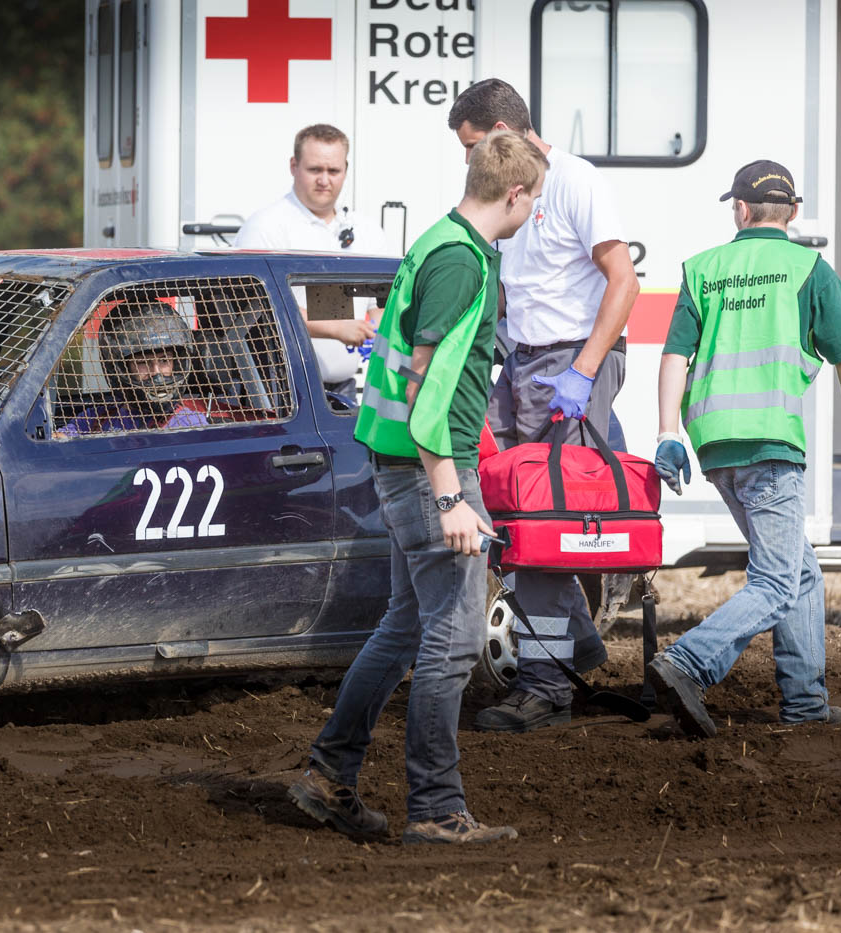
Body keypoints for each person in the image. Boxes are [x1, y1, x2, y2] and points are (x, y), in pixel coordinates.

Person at [288, 131, 546, 845]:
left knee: (405, 627)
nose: (534, 212)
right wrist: (451, 496)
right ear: (515, 193)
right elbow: (425, 388)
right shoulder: (462, 262)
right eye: (534, 200)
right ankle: (435, 808)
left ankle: (328, 775)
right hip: (432, 468)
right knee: (454, 640)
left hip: (401, 461)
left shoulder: (441, 240)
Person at [647, 161, 841, 738]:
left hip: (715, 445)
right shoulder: (809, 269)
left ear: (741, 209)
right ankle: (689, 662)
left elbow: (674, 357)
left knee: (800, 573)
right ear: (793, 212)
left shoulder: (703, 268)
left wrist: (668, 433)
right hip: (771, 443)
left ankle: (805, 702)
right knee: (776, 581)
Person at [446, 78, 642, 734]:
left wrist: (583, 372)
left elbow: (624, 281)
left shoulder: (576, 181)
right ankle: (574, 645)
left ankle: (547, 687)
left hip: (569, 360)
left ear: (502, 132)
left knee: (545, 520)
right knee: (496, 501)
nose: (468, 160)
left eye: (472, 145)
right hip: (524, 360)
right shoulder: (510, 191)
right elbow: (513, 290)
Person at [235, 123, 389, 398]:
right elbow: (255, 309)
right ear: (294, 166)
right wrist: (336, 329)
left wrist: (378, 331)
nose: (324, 180)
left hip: (344, 389)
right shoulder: (265, 227)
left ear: (346, 169)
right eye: (315, 169)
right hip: (280, 392)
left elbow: (380, 305)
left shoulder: (366, 231)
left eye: (333, 171)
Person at [59, 299, 211, 434]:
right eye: (142, 362)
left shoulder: (187, 423)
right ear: (122, 368)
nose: (156, 372)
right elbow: (59, 440)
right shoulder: (96, 418)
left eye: (164, 360)